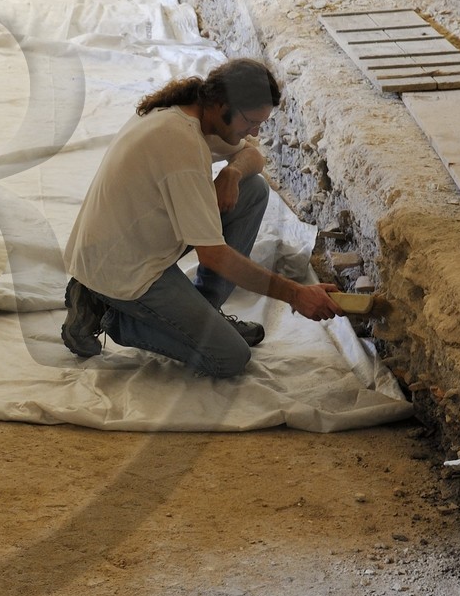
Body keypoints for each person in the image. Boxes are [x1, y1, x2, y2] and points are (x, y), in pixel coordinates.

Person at [60, 57, 338, 379]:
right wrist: (294, 293)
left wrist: (232, 172)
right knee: (230, 357)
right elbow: (214, 254)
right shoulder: (181, 146)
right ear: (222, 106)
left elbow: (254, 155)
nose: (255, 131)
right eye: (251, 122)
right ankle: (109, 313)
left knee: (253, 189)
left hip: (136, 241)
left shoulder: (196, 109)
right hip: (123, 270)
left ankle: (206, 313)